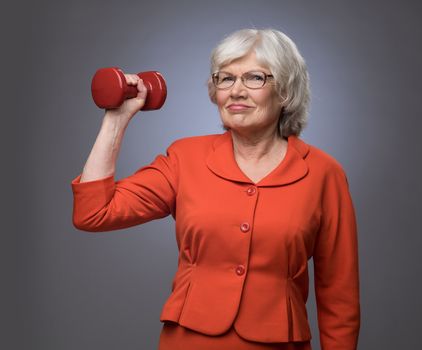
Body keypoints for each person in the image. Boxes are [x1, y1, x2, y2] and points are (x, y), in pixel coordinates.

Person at [71, 28, 360, 350]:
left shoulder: (324, 173)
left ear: (286, 91)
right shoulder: (185, 157)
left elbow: (339, 294)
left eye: (254, 78)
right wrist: (116, 119)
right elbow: (92, 213)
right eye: (225, 78)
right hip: (189, 341)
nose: (236, 91)